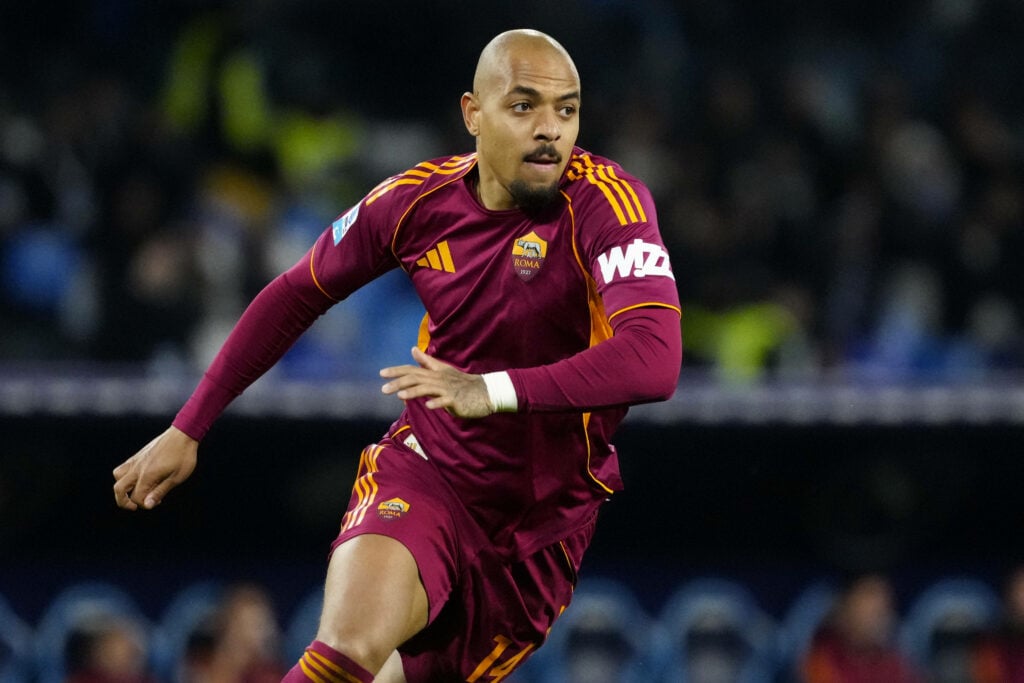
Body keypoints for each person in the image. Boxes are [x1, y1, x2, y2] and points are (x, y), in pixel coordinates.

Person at [112, 28, 682, 682]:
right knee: (344, 653)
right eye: (524, 106)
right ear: (474, 113)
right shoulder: (415, 201)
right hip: (431, 470)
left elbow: (654, 359)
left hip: (540, 532)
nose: (550, 129)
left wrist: (491, 389)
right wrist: (189, 425)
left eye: (567, 109)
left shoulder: (608, 204)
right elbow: (296, 293)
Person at [801, 573, 922, 683]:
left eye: (882, 611)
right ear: (845, 611)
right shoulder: (820, 663)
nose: (878, 622)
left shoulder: (898, 665)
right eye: (869, 613)